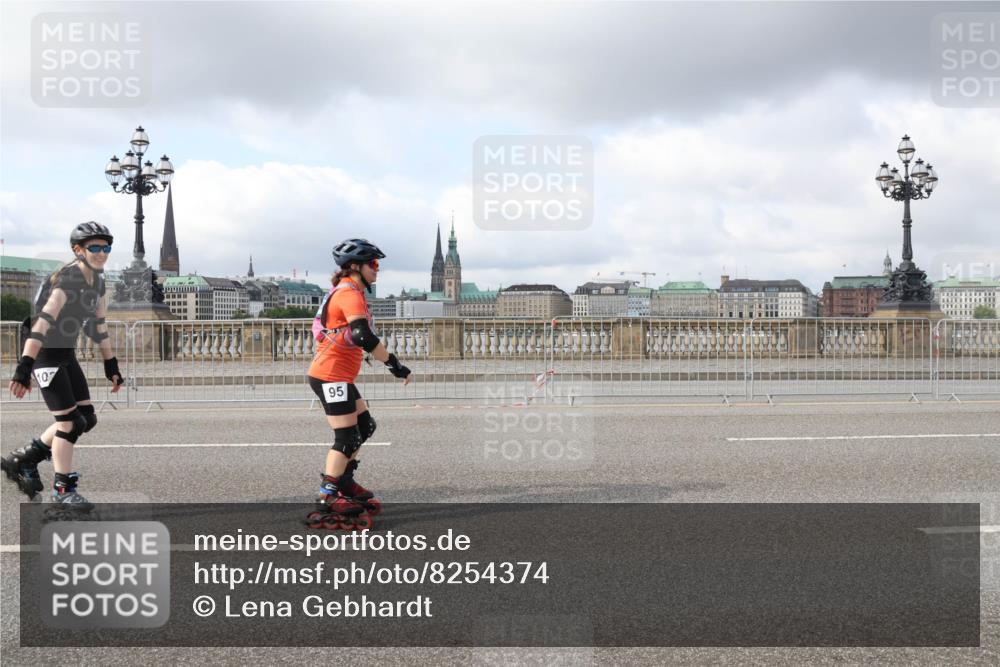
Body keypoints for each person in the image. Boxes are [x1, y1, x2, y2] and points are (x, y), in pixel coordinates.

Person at [2, 222, 125, 510]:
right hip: (44, 352)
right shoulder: (68, 280)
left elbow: (98, 325)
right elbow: (42, 324)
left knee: (86, 418)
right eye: (94, 247)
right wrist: (24, 366)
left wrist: (111, 364)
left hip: (65, 352)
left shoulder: (98, 282)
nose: (102, 253)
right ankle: (63, 492)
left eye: (106, 247)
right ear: (78, 250)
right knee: (70, 423)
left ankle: (26, 458)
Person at [305, 238, 412, 530]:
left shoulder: (349, 291)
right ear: (355, 267)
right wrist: (395, 365)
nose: (377, 270)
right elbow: (363, 335)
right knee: (347, 438)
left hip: (337, 375)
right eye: (373, 264)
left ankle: (345, 481)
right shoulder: (348, 293)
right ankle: (328, 495)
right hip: (330, 376)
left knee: (365, 427)